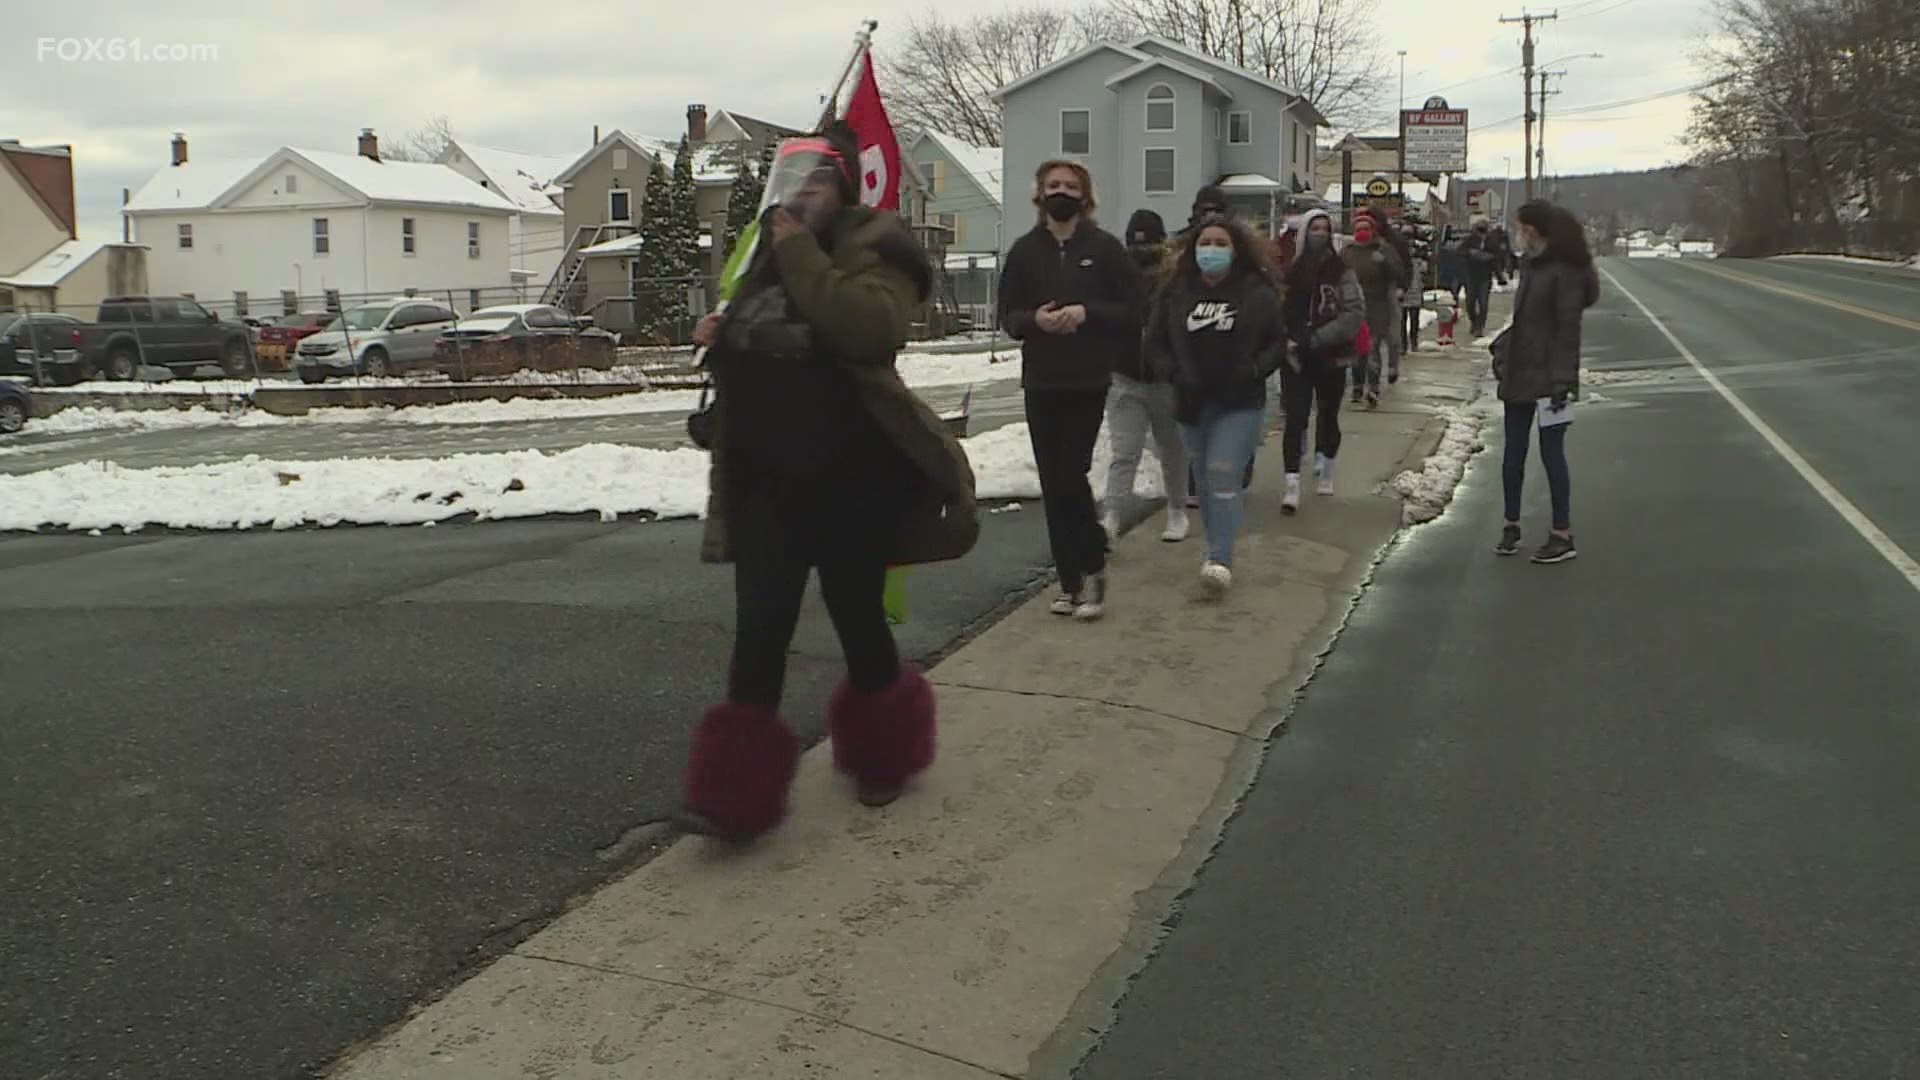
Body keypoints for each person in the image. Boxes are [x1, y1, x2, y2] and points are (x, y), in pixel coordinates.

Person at [680, 125, 981, 840]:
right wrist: (723, 338)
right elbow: (761, 344)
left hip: (851, 477)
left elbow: (869, 330)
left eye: (815, 181)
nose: (799, 195)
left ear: (844, 185)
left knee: (856, 618)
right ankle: (733, 796)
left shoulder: (875, 246)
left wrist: (798, 252)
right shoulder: (765, 253)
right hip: (761, 480)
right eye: (792, 181)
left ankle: (886, 754)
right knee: (759, 630)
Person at [1000, 159, 1143, 620]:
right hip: (1041, 378)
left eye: (1070, 185)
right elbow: (1009, 316)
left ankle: (1093, 564)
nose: (1061, 191)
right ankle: (1069, 581)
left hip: (1087, 377)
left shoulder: (1104, 249)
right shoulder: (1024, 251)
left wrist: (1087, 313)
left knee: (1069, 474)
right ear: (1039, 194)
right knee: (1052, 479)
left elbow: (1133, 309)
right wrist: (1034, 321)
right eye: (1053, 185)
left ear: (1085, 196)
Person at [1145, 213, 1286, 595]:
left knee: (1224, 472)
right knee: (1205, 478)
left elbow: (1277, 342)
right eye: (1205, 243)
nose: (1212, 251)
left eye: (1221, 244)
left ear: (1237, 250)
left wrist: (1255, 368)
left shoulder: (1257, 292)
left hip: (1239, 401)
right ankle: (1213, 548)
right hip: (1192, 401)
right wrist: (1172, 372)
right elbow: (1154, 342)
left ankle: (1221, 559)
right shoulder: (1175, 292)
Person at [1493, 199, 1600, 565]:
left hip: (1550, 378)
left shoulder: (1563, 272)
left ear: (1533, 230)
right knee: (1512, 455)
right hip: (1520, 372)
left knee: (1552, 455)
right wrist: (1503, 350)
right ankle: (1511, 524)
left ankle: (1561, 532)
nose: (1517, 235)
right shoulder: (1532, 267)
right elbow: (1528, 322)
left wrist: (1563, 381)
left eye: (1520, 228)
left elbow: (1567, 330)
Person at [1102, 209, 1191, 544]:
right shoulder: (1118, 278)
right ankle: (1110, 518)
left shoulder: (1175, 280)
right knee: (1125, 451)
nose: (1141, 254)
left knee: (1173, 450)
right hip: (1125, 377)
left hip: (1166, 380)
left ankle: (1177, 510)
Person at [1279, 209, 1365, 513]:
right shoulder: (1291, 271)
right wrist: (1288, 338)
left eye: (1324, 229)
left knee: (1328, 414)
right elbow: (1280, 308)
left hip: (1332, 355)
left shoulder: (1342, 270)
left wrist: (1317, 338)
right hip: (1296, 357)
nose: (1319, 234)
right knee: (1295, 417)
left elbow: (1353, 313)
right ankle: (1291, 482)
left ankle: (1327, 463)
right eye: (1313, 228)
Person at [1340, 211, 1405, 410]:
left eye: (1366, 229)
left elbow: (1399, 273)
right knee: (1357, 351)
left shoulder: (1384, 250)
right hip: (1352, 307)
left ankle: (1373, 388)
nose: (1362, 233)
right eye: (1359, 229)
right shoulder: (1347, 252)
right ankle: (1358, 387)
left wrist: (1384, 263)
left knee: (1372, 348)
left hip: (1377, 305)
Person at [1464, 217, 1500, 338]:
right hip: (1471, 276)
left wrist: (1500, 276)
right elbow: (1460, 252)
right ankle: (1473, 321)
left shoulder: (1492, 241)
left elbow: (1496, 258)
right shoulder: (1470, 240)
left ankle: (1480, 327)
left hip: (1485, 277)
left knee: (1483, 304)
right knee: (1470, 303)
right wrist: (1471, 253)